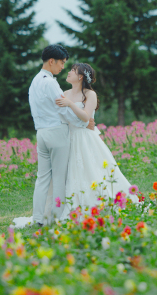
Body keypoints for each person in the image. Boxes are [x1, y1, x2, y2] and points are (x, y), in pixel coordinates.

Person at [22, 44, 95, 228]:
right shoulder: (50, 83)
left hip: (41, 132)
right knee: (60, 178)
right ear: (51, 61)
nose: (63, 67)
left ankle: (38, 218)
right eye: (62, 63)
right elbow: (63, 109)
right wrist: (84, 123)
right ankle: (57, 217)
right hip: (57, 132)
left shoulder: (35, 81)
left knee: (42, 178)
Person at [54, 62, 136, 212]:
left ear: (80, 77)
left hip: (85, 138)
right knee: (72, 172)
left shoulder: (90, 94)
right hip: (68, 136)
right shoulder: (65, 93)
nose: (69, 72)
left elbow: (86, 116)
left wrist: (70, 104)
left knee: (92, 169)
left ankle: (101, 202)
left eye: (73, 70)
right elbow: (61, 116)